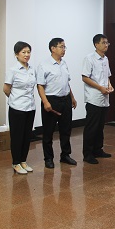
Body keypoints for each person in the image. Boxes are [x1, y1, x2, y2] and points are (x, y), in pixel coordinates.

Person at [36, 38, 77, 169]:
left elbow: (67, 83)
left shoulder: (64, 63)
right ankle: (48, 158)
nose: (64, 49)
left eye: (65, 47)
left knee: (66, 129)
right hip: (51, 100)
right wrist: (45, 102)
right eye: (61, 47)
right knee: (48, 131)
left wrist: (72, 97)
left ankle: (65, 155)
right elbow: (40, 86)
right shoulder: (44, 65)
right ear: (53, 48)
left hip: (65, 99)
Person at [4, 41, 37, 175]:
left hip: (30, 107)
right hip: (17, 108)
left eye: (28, 52)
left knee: (26, 136)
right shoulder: (13, 70)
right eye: (23, 52)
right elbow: (6, 89)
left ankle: (23, 160)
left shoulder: (32, 69)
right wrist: (15, 99)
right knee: (17, 136)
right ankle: (16, 162)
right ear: (16, 54)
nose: (26, 54)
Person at [81, 34, 113, 165]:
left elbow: (107, 76)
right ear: (96, 44)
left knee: (100, 126)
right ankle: (87, 154)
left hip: (104, 98)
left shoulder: (105, 59)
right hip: (93, 98)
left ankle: (98, 149)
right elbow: (85, 77)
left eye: (107, 43)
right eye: (103, 42)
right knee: (92, 127)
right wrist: (100, 87)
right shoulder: (89, 59)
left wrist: (110, 86)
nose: (106, 45)